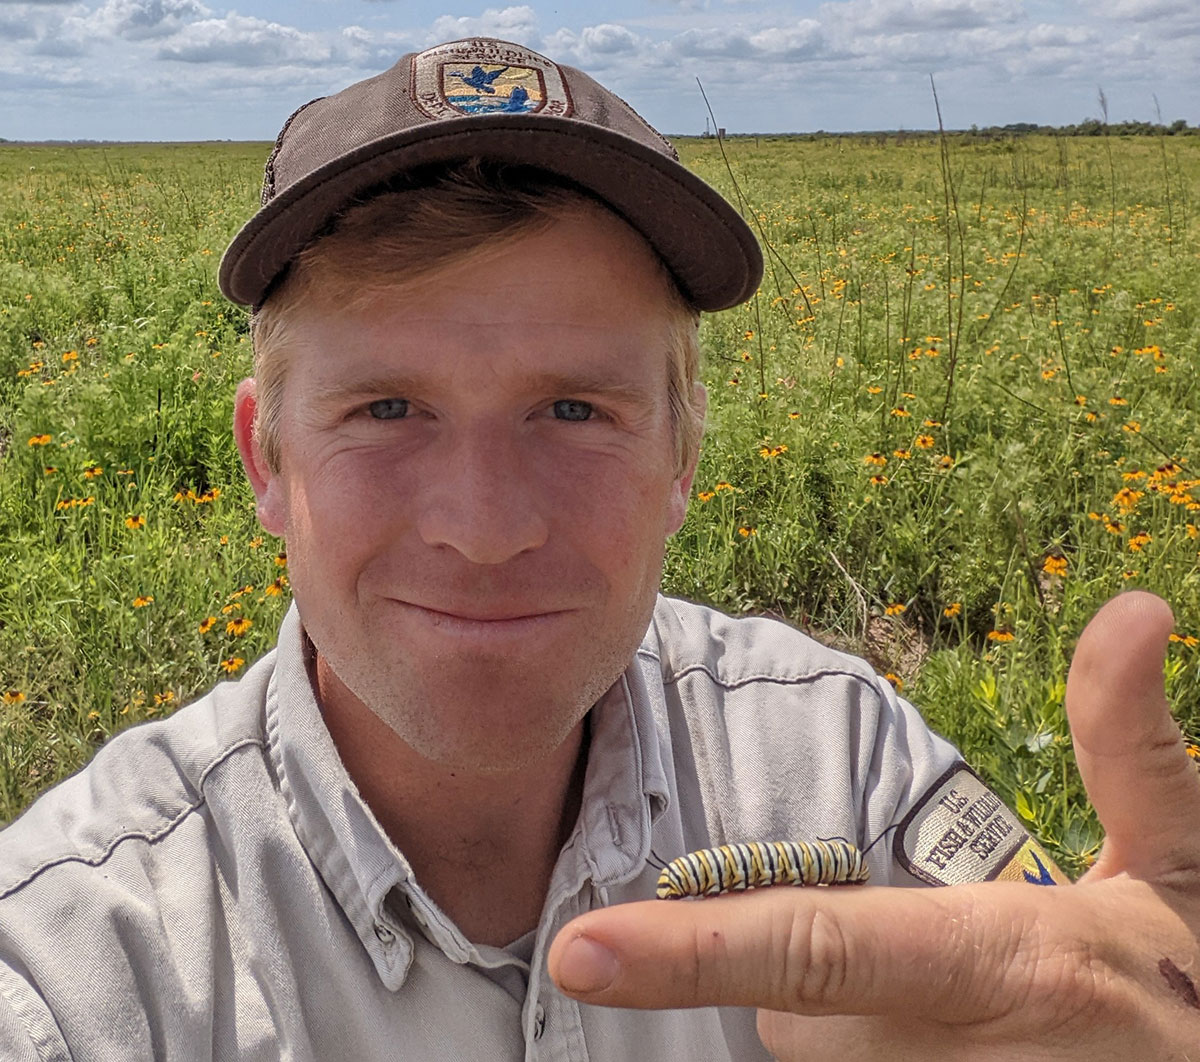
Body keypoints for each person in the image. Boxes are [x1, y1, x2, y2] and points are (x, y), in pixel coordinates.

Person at [0, 36, 1195, 1060]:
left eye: (574, 410)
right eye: (386, 409)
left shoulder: (835, 762)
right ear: (266, 460)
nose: (483, 527)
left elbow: (1060, 965)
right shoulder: (88, 956)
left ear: (681, 455)